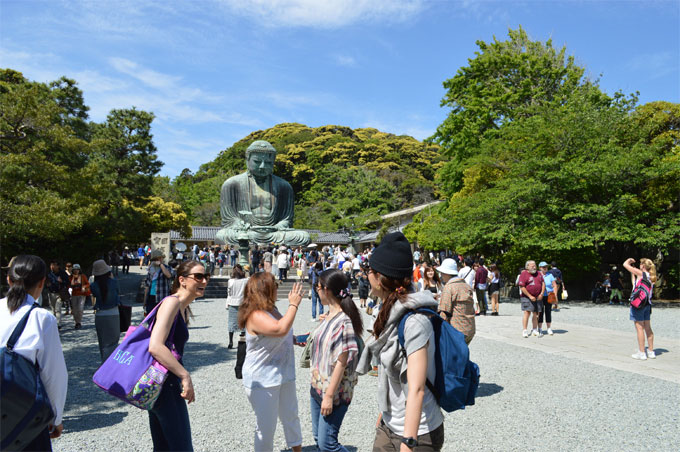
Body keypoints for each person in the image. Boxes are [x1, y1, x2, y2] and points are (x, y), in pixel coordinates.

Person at [357, 232, 445, 451]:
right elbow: (388, 374)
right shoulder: (387, 311)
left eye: (370, 271)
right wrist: (383, 414)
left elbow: (416, 388)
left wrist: (409, 442)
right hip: (389, 425)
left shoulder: (414, 321)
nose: (366, 276)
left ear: (380, 277)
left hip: (419, 431)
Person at [1, 255, 68, 451]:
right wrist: (55, 418)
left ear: (9, 279)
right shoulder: (41, 318)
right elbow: (54, 375)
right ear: (42, 282)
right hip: (23, 413)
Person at [238, 272, 304, 452]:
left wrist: (294, 339)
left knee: (291, 417)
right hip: (263, 378)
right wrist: (293, 304)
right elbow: (279, 328)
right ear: (265, 289)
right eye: (274, 285)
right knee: (266, 427)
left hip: (283, 374)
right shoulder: (255, 314)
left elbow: (279, 333)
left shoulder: (271, 310)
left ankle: (297, 449)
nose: (277, 287)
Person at [148, 260, 205, 451]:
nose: (204, 281)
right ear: (182, 280)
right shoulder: (172, 303)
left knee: (164, 447)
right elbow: (155, 345)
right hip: (166, 384)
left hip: (162, 383)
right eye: (198, 276)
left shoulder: (182, 307)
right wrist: (184, 375)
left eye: (206, 277)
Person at [310, 269, 363, 452]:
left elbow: (342, 360)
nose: (316, 290)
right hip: (318, 386)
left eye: (318, 287)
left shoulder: (344, 321)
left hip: (334, 392)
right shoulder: (328, 316)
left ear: (327, 290)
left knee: (327, 444)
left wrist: (329, 396)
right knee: (319, 438)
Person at [623, 258, 657, 360]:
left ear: (643, 266)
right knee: (648, 328)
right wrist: (633, 272)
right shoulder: (652, 277)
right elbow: (635, 283)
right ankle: (651, 351)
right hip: (647, 304)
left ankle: (642, 353)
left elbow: (625, 264)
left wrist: (629, 261)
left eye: (640, 264)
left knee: (639, 328)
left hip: (638, 305)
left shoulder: (641, 274)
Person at [436, 258, 476, 344]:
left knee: (453, 356)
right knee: (463, 354)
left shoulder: (449, 287)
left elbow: (444, 312)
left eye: (442, 273)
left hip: (457, 329)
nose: (441, 275)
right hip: (470, 327)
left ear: (447, 273)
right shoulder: (466, 286)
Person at [89, 260, 121, 362]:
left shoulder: (94, 285)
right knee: (113, 342)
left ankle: (104, 363)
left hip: (100, 315)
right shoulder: (114, 282)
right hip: (113, 314)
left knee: (103, 343)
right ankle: (110, 365)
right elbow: (118, 293)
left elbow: (94, 294)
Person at [518, 260, 545, 338]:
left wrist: (541, 293)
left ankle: (534, 329)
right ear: (527, 267)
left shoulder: (539, 273)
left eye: (534, 265)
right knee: (527, 312)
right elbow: (522, 287)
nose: (534, 267)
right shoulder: (524, 274)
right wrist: (530, 296)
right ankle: (525, 330)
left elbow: (543, 283)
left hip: (538, 296)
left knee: (536, 313)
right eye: (532, 265)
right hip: (526, 297)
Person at [144, 250, 175, 315]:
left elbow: (169, 275)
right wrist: (144, 301)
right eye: (155, 259)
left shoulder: (167, 268)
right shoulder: (150, 269)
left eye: (159, 258)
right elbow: (147, 285)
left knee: (162, 316)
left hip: (162, 296)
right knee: (150, 317)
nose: (157, 260)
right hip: (151, 296)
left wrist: (161, 265)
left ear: (161, 258)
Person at [226, 264, 248, 348]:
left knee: (231, 323)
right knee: (243, 322)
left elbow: (229, 293)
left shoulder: (230, 281)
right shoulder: (246, 280)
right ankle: (242, 341)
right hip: (242, 302)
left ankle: (230, 342)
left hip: (232, 302)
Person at [538, 261, 558, 335]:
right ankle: (539, 328)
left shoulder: (550, 275)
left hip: (549, 295)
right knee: (540, 312)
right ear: (540, 268)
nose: (545, 268)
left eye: (546, 267)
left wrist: (554, 294)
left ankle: (549, 328)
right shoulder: (537, 275)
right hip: (540, 295)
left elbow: (554, 285)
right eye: (543, 267)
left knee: (548, 311)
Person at [69, 264, 90, 330]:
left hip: (81, 294)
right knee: (75, 309)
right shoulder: (70, 277)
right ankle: (76, 322)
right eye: (75, 270)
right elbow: (68, 284)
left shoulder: (82, 276)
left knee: (80, 309)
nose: (76, 271)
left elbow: (87, 284)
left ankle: (79, 322)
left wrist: (84, 287)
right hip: (74, 294)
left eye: (77, 269)